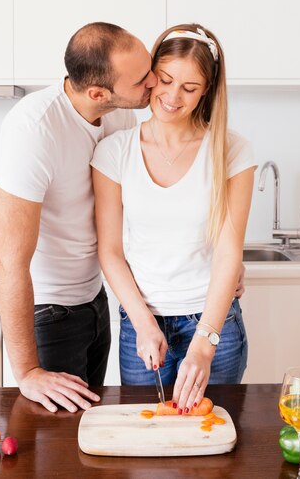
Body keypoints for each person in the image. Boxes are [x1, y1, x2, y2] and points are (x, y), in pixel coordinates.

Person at [91, 23, 257, 413]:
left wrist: (205, 341)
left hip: (215, 325)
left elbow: (228, 253)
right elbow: (111, 252)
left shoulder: (232, 151)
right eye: (165, 80)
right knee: (148, 446)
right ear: (150, 75)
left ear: (207, 91)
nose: (171, 96)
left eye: (189, 88)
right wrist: (144, 324)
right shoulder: (114, 152)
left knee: (212, 445)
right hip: (141, 322)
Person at [0, 22, 156, 413]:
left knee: (89, 439)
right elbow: (9, 260)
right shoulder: (33, 129)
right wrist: (29, 371)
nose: (154, 81)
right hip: (48, 316)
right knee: (54, 452)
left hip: (94, 303)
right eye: (141, 80)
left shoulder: (119, 115)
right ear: (98, 92)